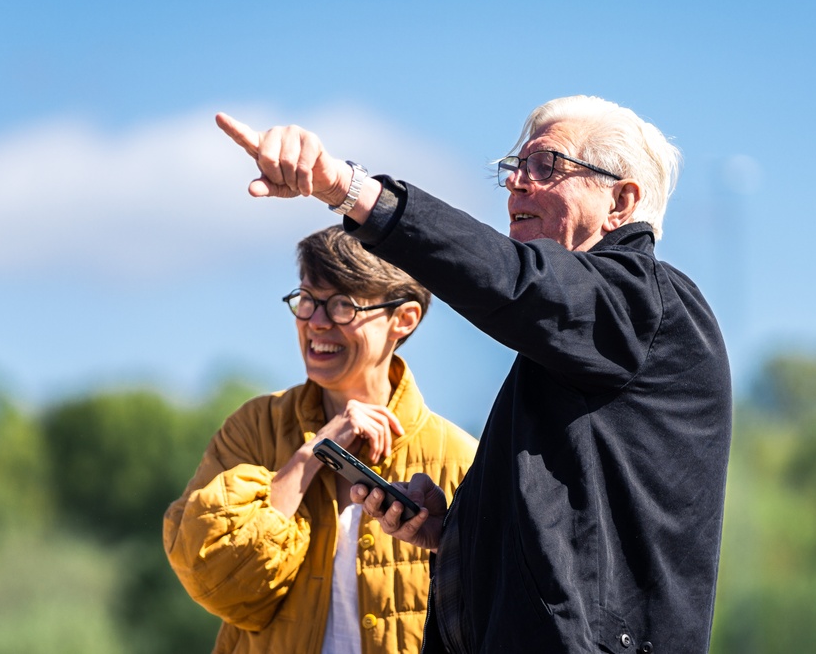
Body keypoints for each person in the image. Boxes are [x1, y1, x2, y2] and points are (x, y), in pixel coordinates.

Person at [216, 95, 733, 654]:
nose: (516, 183)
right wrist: (457, 533)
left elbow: (514, 280)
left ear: (620, 201)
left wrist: (348, 188)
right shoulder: (581, 341)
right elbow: (572, 547)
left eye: (546, 166)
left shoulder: (643, 302)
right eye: (513, 169)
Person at [163, 225, 477, 654]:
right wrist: (310, 455)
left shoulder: (459, 459)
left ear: (403, 319)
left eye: (342, 306)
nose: (316, 322)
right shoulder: (255, 428)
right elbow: (212, 578)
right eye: (307, 300)